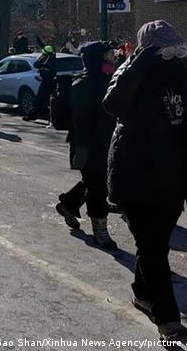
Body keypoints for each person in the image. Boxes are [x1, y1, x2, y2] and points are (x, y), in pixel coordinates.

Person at [103, 20, 187, 341]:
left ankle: (142, 293)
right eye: (163, 50)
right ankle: (168, 320)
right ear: (147, 50)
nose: (171, 55)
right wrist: (136, 66)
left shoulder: (181, 76)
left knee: (155, 247)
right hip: (136, 176)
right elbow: (112, 104)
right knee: (153, 250)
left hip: (174, 177)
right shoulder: (130, 74)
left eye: (175, 49)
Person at [55, 42, 118, 249]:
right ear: (97, 59)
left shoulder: (110, 80)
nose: (113, 59)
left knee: (94, 181)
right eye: (108, 56)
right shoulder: (83, 84)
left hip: (105, 142)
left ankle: (68, 203)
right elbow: (84, 120)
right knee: (98, 186)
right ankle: (100, 228)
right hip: (87, 144)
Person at [25, 45, 57, 121]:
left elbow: (36, 64)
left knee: (39, 99)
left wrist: (41, 59)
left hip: (46, 81)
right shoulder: (53, 58)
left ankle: (33, 115)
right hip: (55, 82)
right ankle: (47, 115)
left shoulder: (45, 58)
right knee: (51, 100)